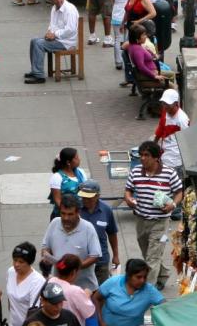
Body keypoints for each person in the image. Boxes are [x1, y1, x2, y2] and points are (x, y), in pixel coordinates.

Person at [123, 141, 183, 289]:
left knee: (152, 258)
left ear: (156, 158)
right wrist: (128, 199)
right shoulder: (136, 172)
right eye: (141, 155)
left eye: (146, 155)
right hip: (141, 220)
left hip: (160, 223)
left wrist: (173, 205)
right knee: (147, 254)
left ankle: (147, 290)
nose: (143, 158)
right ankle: (163, 275)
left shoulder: (169, 173)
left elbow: (179, 192)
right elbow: (128, 189)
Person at [92, 259, 163, 326]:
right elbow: (95, 298)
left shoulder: (149, 290)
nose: (142, 280)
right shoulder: (114, 282)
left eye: (145, 277)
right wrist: (100, 321)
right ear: (128, 275)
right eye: (138, 277)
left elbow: (165, 306)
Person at [41, 194, 102, 290]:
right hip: (59, 288)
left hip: (84, 288)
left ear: (78, 212)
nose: (66, 218)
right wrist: (46, 255)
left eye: (70, 214)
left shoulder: (88, 228)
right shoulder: (54, 223)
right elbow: (45, 247)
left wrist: (73, 268)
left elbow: (95, 256)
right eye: (63, 213)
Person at [26, 0, 78, 84]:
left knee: (39, 44)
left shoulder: (70, 9)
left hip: (66, 42)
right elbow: (52, 24)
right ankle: (35, 70)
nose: (59, 1)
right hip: (57, 39)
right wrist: (49, 32)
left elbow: (70, 30)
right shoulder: (54, 8)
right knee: (34, 40)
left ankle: (39, 75)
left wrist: (54, 35)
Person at [78, 181, 120, 286]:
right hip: (81, 260)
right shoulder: (76, 208)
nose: (85, 200)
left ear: (97, 196)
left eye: (89, 197)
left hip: (101, 261)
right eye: (83, 197)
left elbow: (112, 233)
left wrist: (116, 255)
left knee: (101, 292)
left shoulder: (106, 210)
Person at [47, 255, 97, 326]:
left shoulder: (51, 281)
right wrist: (86, 295)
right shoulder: (75, 291)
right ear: (74, 272)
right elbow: (90, 313)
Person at [5, 242, 46, 326]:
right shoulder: (11, 272)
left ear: (29, 263)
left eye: (21, 262)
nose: (16, 264)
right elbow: (10, 299)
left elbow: (34, 313)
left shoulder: (37, 282)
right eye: (14, 260)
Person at [154, 89, 189, 172]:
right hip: (164, 155)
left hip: (175, 160)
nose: (165, 106)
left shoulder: (182, 120)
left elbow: (186, 142)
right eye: (163, 103)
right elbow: (161, 128)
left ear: (176, 104)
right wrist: (153, 144)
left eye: (167, 104)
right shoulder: (165, 111)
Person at [108, 0, 134, 70]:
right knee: (128, 39)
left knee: (117, 39)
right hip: (128, 15)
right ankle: (127, 60)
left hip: (116, 15)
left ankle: (118, 62)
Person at [48, 147, 87, 218]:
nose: (79, 159)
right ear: (68, 162)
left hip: (80, 214)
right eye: (76, 158)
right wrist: (68, 213)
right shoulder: (57, 177)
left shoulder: (81, 172)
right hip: (63, 216)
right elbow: (57, 200)